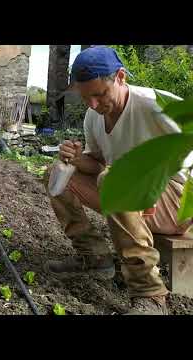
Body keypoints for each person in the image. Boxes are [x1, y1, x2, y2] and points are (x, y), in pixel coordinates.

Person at [42, 46, 193, 315]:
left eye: (100, 95)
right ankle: (95, 257)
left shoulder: (155, 105)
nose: (94, 105)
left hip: (179, 202)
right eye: (86, 97)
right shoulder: (94, 116)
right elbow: (97, 163)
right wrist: (77, 159)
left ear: (121, 77)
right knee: (57, 174)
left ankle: (150, 293)